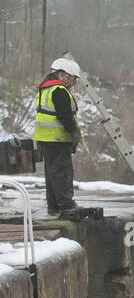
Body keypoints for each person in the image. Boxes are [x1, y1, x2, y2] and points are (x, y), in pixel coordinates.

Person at [34, 57, 83, 217]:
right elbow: (65, 115)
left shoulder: (45, 89)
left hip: (45, 139)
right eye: (73, 78)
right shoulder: (59, 91)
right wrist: (73, 132)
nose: (74, 82)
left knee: (51, 173)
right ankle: (67, 206)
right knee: (62, 172)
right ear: (63, 75)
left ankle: (54, 206)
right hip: (57, 139)